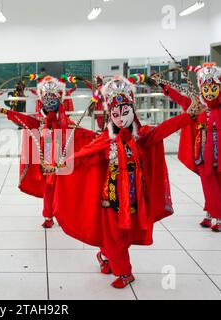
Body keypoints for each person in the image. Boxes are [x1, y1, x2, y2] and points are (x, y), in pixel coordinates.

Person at [53, 74, 204, 288]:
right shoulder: (105, 140)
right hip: (111, 199)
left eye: (125, 112)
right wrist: (64, 164)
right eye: (116, 114)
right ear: (110, 115)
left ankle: (106, 257)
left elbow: (162, 130)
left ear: (133, 111)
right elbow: (87, 155)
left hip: (134, 198)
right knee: (114, 234)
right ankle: (125, 273)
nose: (121, 118)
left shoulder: (141, 136)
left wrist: (188, 116)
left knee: (122, 235)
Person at [0, 74, 96, 228]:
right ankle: (48, 216)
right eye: (46, 100)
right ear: (41, 100)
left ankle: (63, 214)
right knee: (49, 189)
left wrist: (98, 138)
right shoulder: (38, 120)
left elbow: (82, 134)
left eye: (53, 100)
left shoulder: (66, 122)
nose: (49, 103)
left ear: (59, 101)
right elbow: (19, 117)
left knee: (64, 190)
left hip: (62, 162)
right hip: (47, 163)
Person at [160, 63, 221, 232]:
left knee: (218, 183)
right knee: (208, 184)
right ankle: (212, 212)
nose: (209, 91)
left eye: (213, 87)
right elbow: (181, 99)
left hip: (219, 153)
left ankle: (217, 215)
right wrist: (165, 87)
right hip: (203, 152)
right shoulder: (198, 106)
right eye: (206, 88)